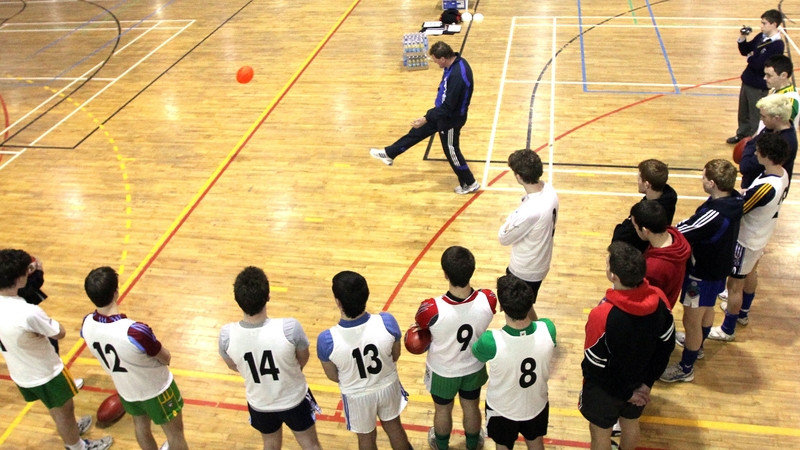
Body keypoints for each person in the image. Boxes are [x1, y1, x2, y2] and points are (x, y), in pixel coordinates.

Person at [0, 249, 112, 450]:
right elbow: (59, 332)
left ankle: (71, 430)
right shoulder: (27, 313)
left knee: (54, 407)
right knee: (64, 411)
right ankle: (77, 446)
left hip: (19, 371)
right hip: (45, 372)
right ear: (18, 280)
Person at [580, 242, 675, 450]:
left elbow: (594, 367)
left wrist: (625, 393)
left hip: (607, 391)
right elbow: (666, 347)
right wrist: (646, 384)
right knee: (631, 424)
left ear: (613, 275)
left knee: (600, 434)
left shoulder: (602, 316)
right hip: (640, 384)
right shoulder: (660, 300)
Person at [81, 267, 188, 450]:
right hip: (157, 390)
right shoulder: (134, 331)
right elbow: (165, 357)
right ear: (116, 292)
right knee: (174, 433)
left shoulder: (86, 324)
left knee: (140, 426)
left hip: (126, 390)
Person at [218, 267, 323, 450]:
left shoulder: (227, 335)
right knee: (311, 445)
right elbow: (303, 358)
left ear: (238, 300)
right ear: (268, 296)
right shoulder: (289, 328)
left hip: (260, 403)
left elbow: (233, 365)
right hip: (294, 400)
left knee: (271, 446)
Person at [660, 160, 743, 383]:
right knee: (707, 309)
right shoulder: (734, 198)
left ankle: (686, 367)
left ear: (713, 183)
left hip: (702, 273)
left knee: (692, 320)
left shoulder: (715, 214)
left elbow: (680, 232)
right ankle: (699, 346)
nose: (701, 179)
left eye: (704, 176)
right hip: (720, 268)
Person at [317, 271, 412, 450]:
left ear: (338, 302)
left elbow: (333, 376)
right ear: (366, 295)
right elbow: (395, 355)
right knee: (395, 428)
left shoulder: (327, 340)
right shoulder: (387, 322)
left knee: (366, 439)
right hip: (387, 385)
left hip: (356, 395)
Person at [414, 246, 497, 450]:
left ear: (445, 274)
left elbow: (419, 326)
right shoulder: (488, 299)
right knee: (471, 406)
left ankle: (441, 444)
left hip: (443, 370)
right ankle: (472, 443)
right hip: (473, 367)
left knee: (442, 410)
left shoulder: (431, 308)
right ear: (472, 270)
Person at [370, 41, 480, 194]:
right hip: (441, 113)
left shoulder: (457, 76)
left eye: (435, 60)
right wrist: (428, 117)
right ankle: (389, 153)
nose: (435, 63)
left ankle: (470, 182)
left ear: (442, 58)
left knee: (451, 151)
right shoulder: (453, 64)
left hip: (450, 120)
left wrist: (426, 118)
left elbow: (449, 106)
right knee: (417, 131)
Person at [709, 133, 789, 340]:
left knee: (734, 286)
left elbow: (740, 209)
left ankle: (727, 329)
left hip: (747, 239)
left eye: (758, 151)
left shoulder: (765, 188)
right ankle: (743, 313)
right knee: (751, 273)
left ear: (767, 155)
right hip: (761, 234)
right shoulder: (782, 174)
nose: (754, 153)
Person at [471, 274, 555, 450]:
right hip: (536, 405)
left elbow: (477, 354)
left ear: (502, 307)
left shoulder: (490, 341)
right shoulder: (548, 328)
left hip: (502, 410)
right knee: (536, 444)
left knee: (502, 447)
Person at [499, 149, 559, 303]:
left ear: (519, 177)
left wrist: (511, 218)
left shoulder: (529, 212)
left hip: (524, 271)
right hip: (540, 263)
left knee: (517, 312)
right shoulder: (549, 190)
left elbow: (503, 238)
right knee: (527, 306)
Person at [727, 9, 785, 144]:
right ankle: (741, 135)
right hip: (747, 80)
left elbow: (760, 64)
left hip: (759, 85)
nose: (761, 26)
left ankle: (753, 141)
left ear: (774, 24)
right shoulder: (761, 36)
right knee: (744, 112)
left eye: (764, 23)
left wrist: (751, 57)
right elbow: (746, 50)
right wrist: (742, 38)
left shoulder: (777, 45)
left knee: (755, 115)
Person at [629, 200, 691, 309]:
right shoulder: (677, 238)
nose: (634, 229)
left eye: (635, 226)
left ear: (645, 230)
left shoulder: (654, 269)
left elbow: (645, 301)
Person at [612, 159, 678, 253]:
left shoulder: (647, 213)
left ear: (647, 184)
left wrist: (620, 229)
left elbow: (621, 238)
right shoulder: (669, 198)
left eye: (639, 178)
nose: (637, 181)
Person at [739, 94, 797, 189]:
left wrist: (750, 149)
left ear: (776, 118)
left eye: (763, 116)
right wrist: (752, 148)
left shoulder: (785, 142)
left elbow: (746, 166)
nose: (761, 119)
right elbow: (751, 143)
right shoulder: (772, 128)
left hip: (763, 190)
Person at [760, 54, 799, 130]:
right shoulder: (778, 90)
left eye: (769, 75)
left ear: (783, 75)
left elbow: (781, 131)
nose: (765, 78)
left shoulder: (789, 101)